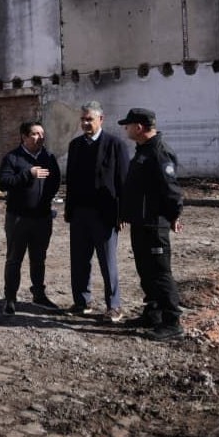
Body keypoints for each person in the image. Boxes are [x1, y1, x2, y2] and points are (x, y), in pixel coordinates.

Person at [117, 108, 185, 341]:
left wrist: (175, 215)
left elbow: (172, 189)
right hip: (141, 222)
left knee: (160, 272)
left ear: (139, 127)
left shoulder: (158, 151)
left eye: (128, 125)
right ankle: (153, 313)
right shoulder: (143, 150)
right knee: (146, 270)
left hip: (155, 224)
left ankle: (172, 321)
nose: (125, 129)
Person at [64, 102, 130, 322]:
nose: (85, 123)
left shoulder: (115, 145)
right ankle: (82, 302)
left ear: (101, 119)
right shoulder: (75, 146)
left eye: (89, 119)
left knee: (107, 261)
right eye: (82, 119)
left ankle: (114, 306)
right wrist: (69, 210)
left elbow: (123, 182)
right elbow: (71, 181)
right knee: (80, 260)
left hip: (105, 214)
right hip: (80, 214)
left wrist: (122, 213)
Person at [0, 121, 61, 317]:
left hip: (42, 218)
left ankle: (39, 294)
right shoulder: (13, 158)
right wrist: (28, 174)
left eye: (42, 134)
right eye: (35, 134)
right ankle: (10, 298)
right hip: (18, 218)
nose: (40, 137)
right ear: (24, 137)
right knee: (14, 259)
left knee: (39, 259)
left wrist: (45, 201)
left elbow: (56, 181)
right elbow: (4, 183)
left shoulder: (48, 157)